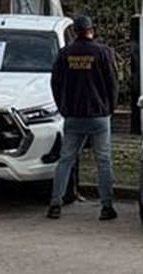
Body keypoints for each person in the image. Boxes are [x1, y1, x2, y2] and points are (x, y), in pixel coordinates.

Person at [48, 14, 119, 221]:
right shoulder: (103, 53)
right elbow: (113, 84)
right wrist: (110, 109)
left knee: (65, 160)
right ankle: (107, 207)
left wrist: (63, 108)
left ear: (74, 32)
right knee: (103, 161)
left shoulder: (64, 54)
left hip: (73, 116)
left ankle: (55, 204)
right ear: (91, 30)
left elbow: (56, 84)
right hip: (99, 115)